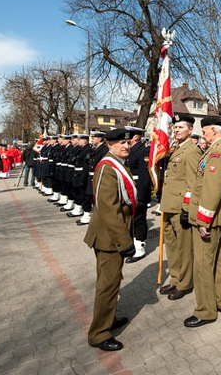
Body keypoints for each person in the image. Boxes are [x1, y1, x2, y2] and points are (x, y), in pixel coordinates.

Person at [83, 128, 137, 351]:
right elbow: (109, 210)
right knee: (107, 285)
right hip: (109, 238)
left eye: (128, 142)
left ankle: (109, 318)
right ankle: (99, 333)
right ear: (109, 144)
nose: (126, 146)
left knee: (113, 281)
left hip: (112, 236)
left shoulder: (118, 163)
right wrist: (124, 241)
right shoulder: (108, 167)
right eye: (121, 143)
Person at [184, 115, 221, 328]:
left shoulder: (217, 151)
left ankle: (205, 310)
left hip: (210, 219)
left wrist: (203, 220)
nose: (202, 135)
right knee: (218, 262)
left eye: (204, 131)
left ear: (213, 131)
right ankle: (220, 302)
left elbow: (212, 189)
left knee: (203, 265)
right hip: (219, 217)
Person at [159, 114, 202, 300]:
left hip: (180, 207)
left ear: (191, 130)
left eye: (181, 128)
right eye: (175, 128)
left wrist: (187, 208)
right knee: (172, 246)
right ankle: (176, 278)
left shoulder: (192, 151)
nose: (176, 131)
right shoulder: (177, 149)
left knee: (184, 248)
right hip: (169, 205)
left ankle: (185, 283)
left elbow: (193, 184)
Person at [125, 127, 152, 263]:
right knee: (131, 219)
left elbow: (144, 176)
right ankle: (132, 244)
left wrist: (141, 196)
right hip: (129, 190)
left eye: (128, 136)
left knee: (139, 220)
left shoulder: (143, 151)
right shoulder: (129, 150)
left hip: (138, 190)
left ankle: (139, 247)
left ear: (136, 137)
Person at [76, 131, 107, 226]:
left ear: (99, 139)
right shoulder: (95, 149)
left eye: (93, 138)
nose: (92, 140)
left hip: (97, 177)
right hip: (91, 176)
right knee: (90, 197)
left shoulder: (103, 150)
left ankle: (99, 219)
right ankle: (89, 216)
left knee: (97, 199)